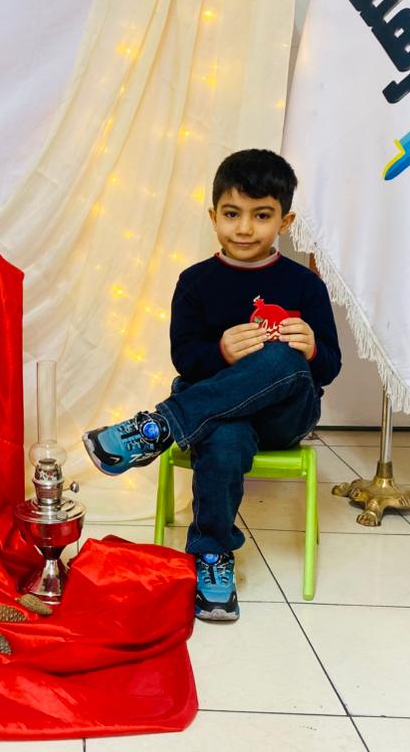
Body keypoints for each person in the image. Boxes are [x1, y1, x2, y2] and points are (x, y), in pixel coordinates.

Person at [82, 149, 341, 622]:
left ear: (285, 221)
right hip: (217, 415)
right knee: (224, 436)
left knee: (282, 358)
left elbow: (329, 367)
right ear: (213, 216)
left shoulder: (305, 285)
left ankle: (158, 427)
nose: (244, 228)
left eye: (261, 215)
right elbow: (186, 358)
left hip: (283, 418)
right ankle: (211, 554)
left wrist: (310, 351)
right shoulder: (195, 282)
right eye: (232, 214)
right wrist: (221, 351)